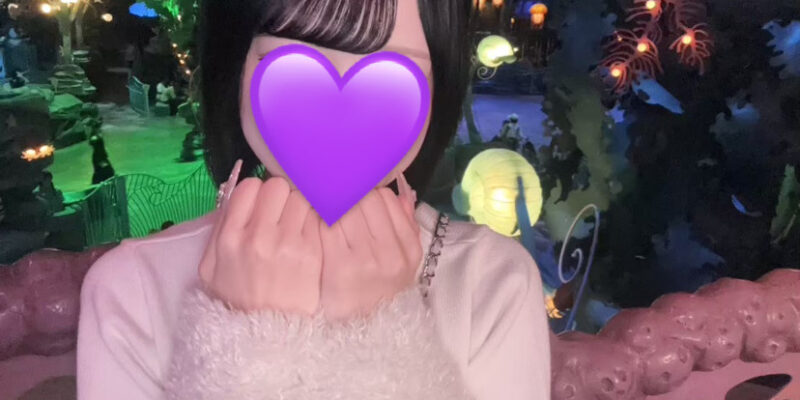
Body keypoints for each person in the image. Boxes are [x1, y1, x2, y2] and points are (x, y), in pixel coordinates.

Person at [77, 1, 551, 400]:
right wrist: (249, 343)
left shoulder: (492, 283)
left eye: (391, 80)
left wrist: (381, 338)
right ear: (233, 63)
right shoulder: (131, 290)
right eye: (292, 64)